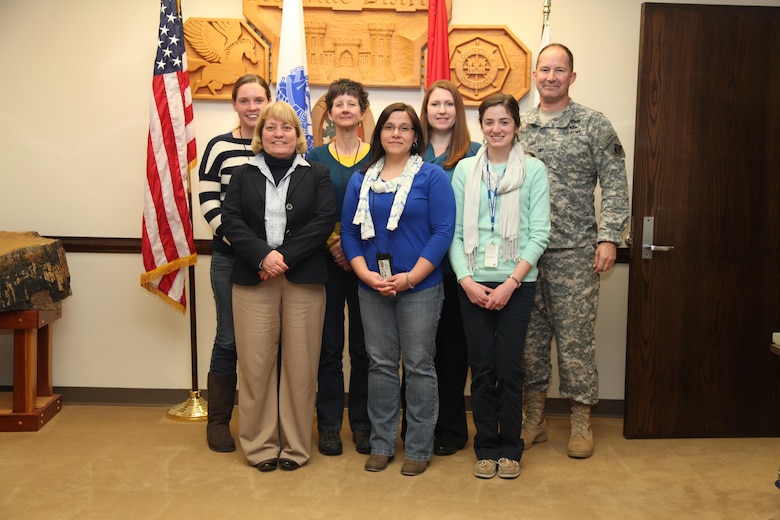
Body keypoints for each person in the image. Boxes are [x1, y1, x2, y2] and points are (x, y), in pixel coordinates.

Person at [520, 43, 629, 459]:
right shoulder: (520, 125)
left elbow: (615, 184)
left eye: (559, 70)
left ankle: (581, 422)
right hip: (525, 255)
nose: (550, 77)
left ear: (572, 77)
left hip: (575, 253)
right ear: (535, 76)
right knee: (529, 344)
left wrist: (608, 237)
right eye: (544, 69)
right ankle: (534, 419)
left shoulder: (592, 124)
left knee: (576, 342)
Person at [340, 103, 455, 476]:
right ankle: (382, 443)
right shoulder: (361, 179)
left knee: (420, 365)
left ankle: (419, 447)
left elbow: (442, 233)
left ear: (416, 136)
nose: (396, 134)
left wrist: (410, 278)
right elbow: (349, 233)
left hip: (419, 287)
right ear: (379, 134)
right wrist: (364, 273)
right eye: (389, 127)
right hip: (373, 286)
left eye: (405, 128)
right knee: (381, 364)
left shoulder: (432, 177)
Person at [221, 101, 336, 472]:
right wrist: (262, 257)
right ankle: (260, 447)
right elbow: (232, 221)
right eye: (271, 127)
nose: (278, 134)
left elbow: (323, 222)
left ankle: (296, 447)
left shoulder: (316, 173)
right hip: (253, 279)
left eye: (286, 128)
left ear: (298, 135)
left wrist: (282, 256)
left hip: (302, 279)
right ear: (260, 133)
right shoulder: (242, 174)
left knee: (301, 368)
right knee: (255, 368)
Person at [449, 93, 550, 479]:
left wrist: (511, 282)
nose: (496, 129)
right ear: (481, 125)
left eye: (504, 122)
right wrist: (466, 281)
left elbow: (540, 233)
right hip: (472, 281)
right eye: (489, 122)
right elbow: (456, 233)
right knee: (482, 365)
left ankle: (511, 447)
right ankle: (486, 446)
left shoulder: (534, 170)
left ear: (516, 126)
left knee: (509, 369)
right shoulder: (464, 171)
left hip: (517, 283)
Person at [198, 74, 271, 453]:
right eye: (245, 100)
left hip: (273, 265)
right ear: (235, 105)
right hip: (230, 258)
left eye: (259, 99)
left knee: (268, 343)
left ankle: (266, 423)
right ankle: (218, 423)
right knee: (228, 337)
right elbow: (209, 200)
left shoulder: (279, 142)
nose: (253, 107)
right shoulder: (219, 146)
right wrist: (244, 246)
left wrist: (268, 254)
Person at [407, 80, 480, 456]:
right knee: (418, 355)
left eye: (448, 104)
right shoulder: (407, 151)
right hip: (415, 271)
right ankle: (416, 428)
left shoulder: (477, 154)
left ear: (458, 111)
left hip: (458, 273)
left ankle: (450, 430)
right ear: (425, 110)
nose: (441, 110)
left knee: (451, 355)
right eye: (434, 104)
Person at [308, 79, 372, 456]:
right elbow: (306, 211)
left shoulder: (377, 156)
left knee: (365, 349)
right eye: (339, 104)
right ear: (329, 113)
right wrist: (333, 245)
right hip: (325, 260)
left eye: (353, 103)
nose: (346, 109)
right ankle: (330, 425)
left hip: (366, 262)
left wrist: (353, 248)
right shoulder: (315, 157)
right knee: (329, 347)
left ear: (362, 112)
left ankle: (362, 425)